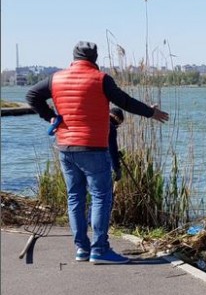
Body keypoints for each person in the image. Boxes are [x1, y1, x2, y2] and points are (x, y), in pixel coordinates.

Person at [26, 41, 169, 265]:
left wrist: (51, 117)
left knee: (75, 197)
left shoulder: (56, 78)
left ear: (74, 57)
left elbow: (32, 95)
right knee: (101, 196)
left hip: (65, 146)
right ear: (95, 58)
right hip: (93, 147)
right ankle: (100, 249)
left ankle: (82, 249)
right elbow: (125, 102)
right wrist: (150, 112)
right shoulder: (101, 79)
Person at [108, 106, 125, 182]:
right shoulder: (111, 127)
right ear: (116, 118)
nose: (116, 126)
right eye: (118, 124)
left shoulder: (99, 119)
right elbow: (112, 149)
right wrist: (116, 168)